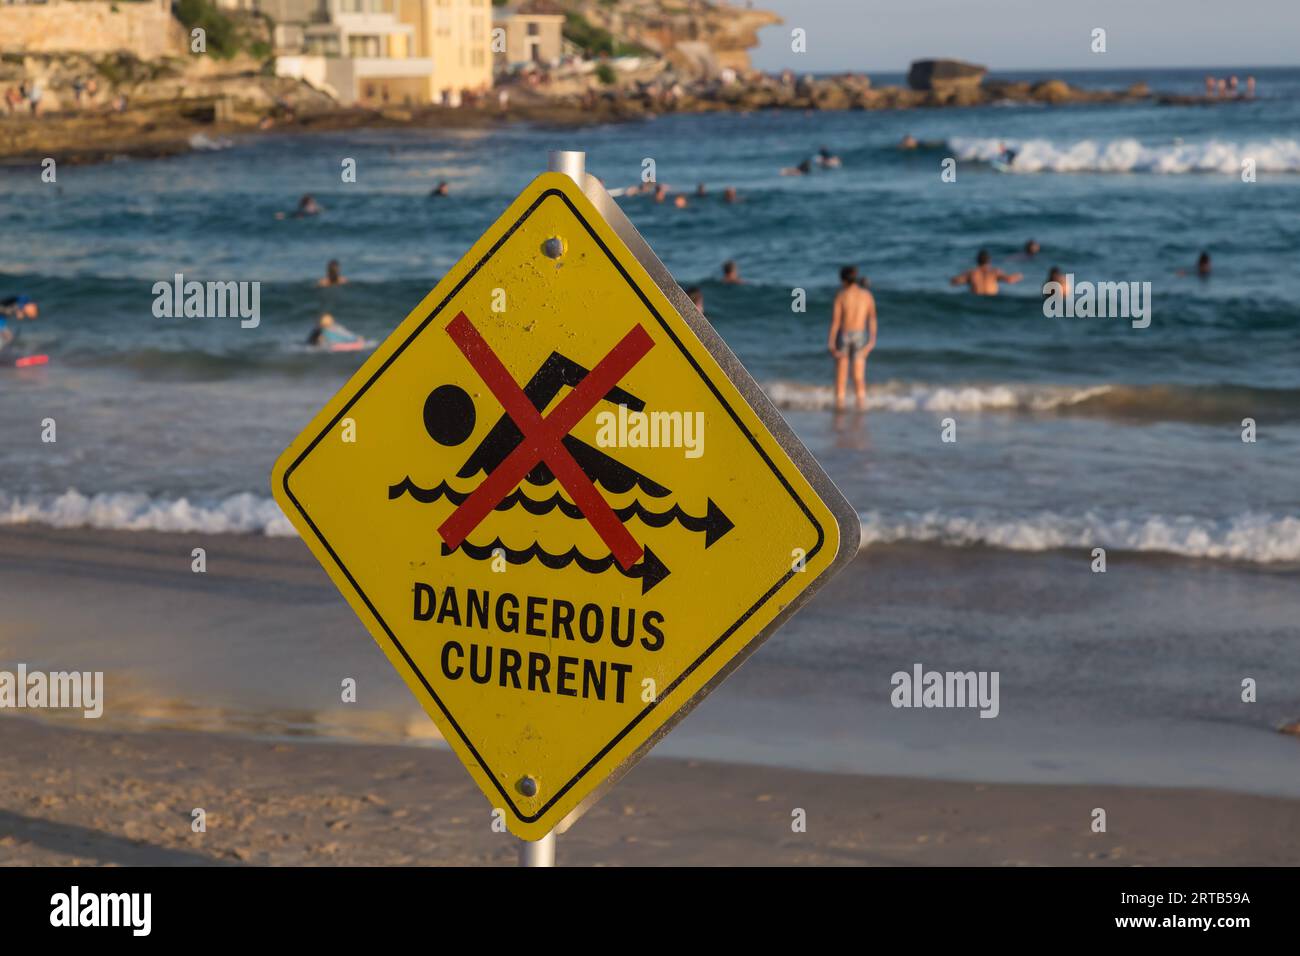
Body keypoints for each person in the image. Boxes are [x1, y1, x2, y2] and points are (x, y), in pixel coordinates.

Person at [827, 266, 876, 411]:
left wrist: (831, 343)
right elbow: (872, 320)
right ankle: (861, 408)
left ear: (843, 280)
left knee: (841, 377)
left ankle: (839, 408)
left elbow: (835, 322)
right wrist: (872, 341)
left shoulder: (841, 295)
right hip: (861, 335)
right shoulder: (866, 295)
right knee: (859, 377)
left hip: (844, 335)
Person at [950, 249, 1023, 295]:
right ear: (989, 261)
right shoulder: (994, 272)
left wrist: (967, 280)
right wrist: (1019, 275)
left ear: (977, 261)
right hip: (991, 300)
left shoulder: (971, 273)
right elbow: (1010, 280)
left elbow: (954, 282)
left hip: (976, 301)